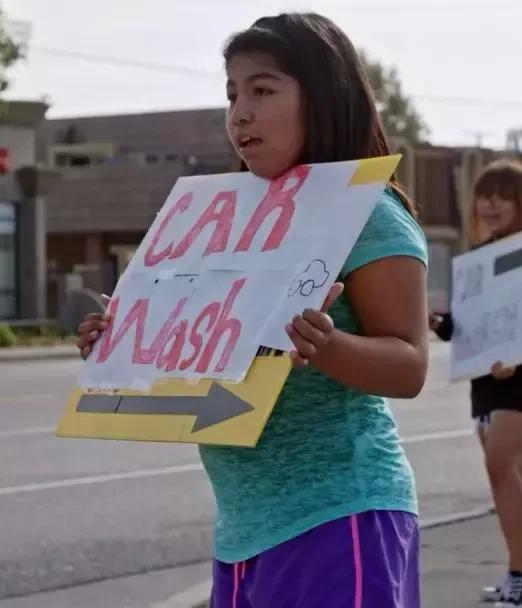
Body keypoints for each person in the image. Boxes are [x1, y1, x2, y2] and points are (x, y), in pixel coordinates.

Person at [76, 13, 430, 607]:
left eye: (263, 90)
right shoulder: (228, 223)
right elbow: (202, 368)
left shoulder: (370, 215)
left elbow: (410, 365)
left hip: (340, 515)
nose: (240, 112)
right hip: (242, 531)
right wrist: (124, 342)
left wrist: (328, 346)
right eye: (232, 93)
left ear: (323, 98)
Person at [431, 159, 522, 608]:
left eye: (503, 196)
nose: (489, 204)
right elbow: (475, 322)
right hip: (488, 382)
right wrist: (444, 325)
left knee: (500, 467)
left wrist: (519, 355)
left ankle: (518, 574)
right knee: (511, 475)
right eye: (483, 195)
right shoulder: (481, 261)